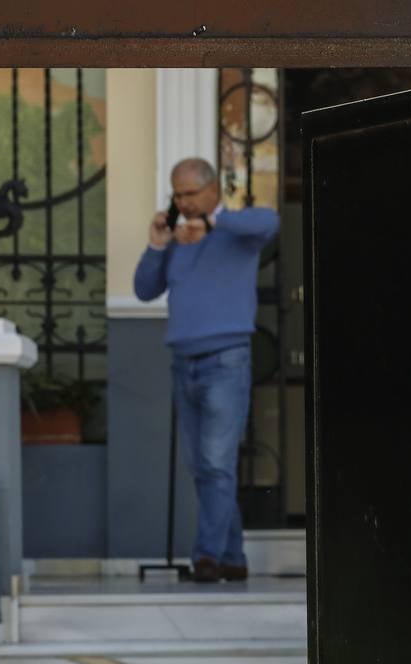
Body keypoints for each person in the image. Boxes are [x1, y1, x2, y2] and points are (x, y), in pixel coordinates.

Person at [133, 158, 279, 583]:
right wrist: (158, 243)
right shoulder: (178, 239)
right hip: (184, 362)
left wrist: (213, 226)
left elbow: (268, 221)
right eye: (177, 195)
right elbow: (144, 290)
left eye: (190, 194)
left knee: (216, 464)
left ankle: (207, 557)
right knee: (205, 468)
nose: (184, 203)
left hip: (225, 362)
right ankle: (233, 558)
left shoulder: (237, 233)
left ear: (212, 190)